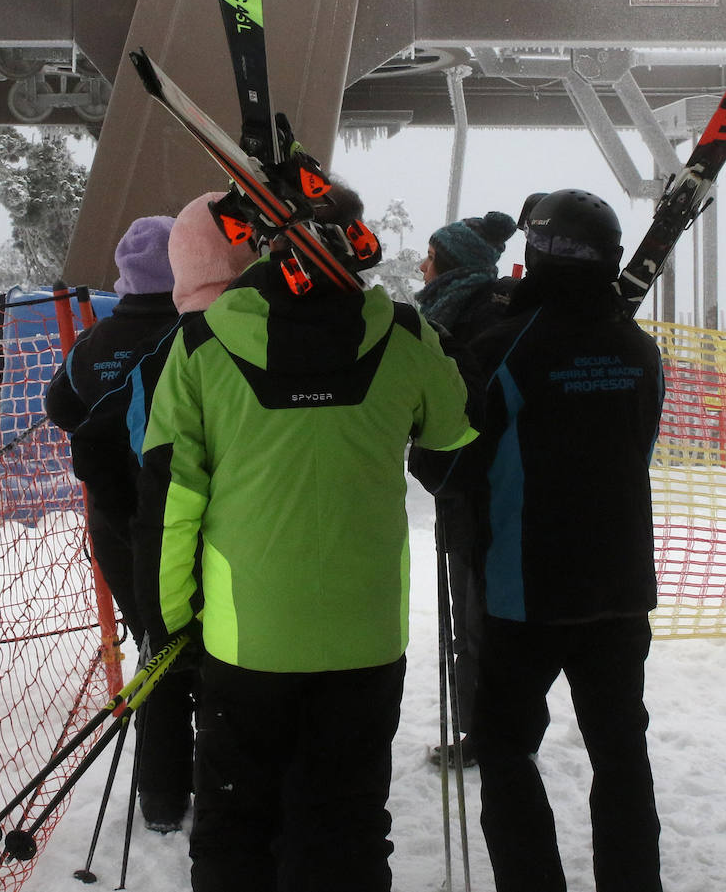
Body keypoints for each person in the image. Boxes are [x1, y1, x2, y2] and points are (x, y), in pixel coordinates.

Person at [133, 188, 477, 891]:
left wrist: (170, 619)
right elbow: (451, 440)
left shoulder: (201, 343)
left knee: (236, 829)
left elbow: (172, 503)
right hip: (365, 636)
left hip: (246, 641)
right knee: (347, 825)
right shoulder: (408, 335)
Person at [417, 188, 664, 892]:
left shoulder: (504, 347)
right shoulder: (638, 348)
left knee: (506, 749)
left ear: (536, 254)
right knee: (621, 752)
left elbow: (450, 464)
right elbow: (636, 446)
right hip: (618, 588)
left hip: (525, 592)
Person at [45, 204, 253, 832]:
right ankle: (227, 789)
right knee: (218, 656)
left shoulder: (95, 343)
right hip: (194, 521)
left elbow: (62, 408)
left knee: (155, 652)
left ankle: (162, 799)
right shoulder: (206, 336)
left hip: (117, 527)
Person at [412, 209, 519, 769]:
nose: (423, 266)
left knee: (473, 609)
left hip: (470, 483)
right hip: (487, 482)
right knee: (481, 608)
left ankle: (481, 733)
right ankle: (490, 728)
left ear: (450, 264)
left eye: (430, 257)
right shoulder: (490, 304)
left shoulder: (457, 318)